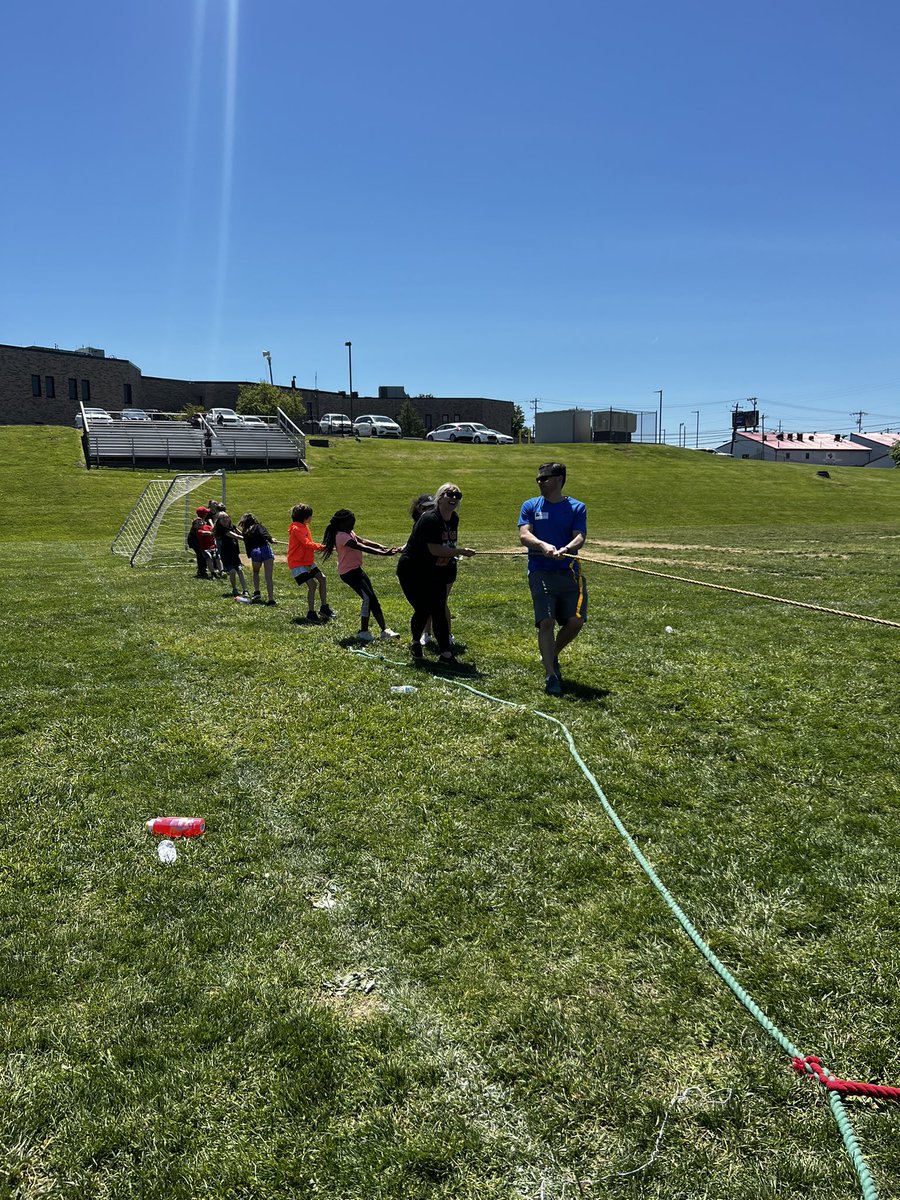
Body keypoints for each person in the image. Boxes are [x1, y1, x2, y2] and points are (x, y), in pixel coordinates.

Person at [518, 462, 587, 695]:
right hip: (540, 570)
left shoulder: (577, 507)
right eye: (538, 479)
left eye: (544, 478)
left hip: (569, 572)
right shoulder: (530, 506)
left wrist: (565, 549)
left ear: (558, 480)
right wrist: (542, 544)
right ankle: (551, 675)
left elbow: (580, 537)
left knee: (576, 621)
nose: (539, 482)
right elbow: (524, 534)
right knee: (545, 621)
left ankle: (552, 653)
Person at [397, 482, 475, 666]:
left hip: (435, 570)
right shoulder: (429, 519)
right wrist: (460, 552)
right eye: (450, 494)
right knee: (424, 609)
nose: (454, 498)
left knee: (439, 608)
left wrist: (452, 556)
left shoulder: (453, 518)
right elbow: (433, 549)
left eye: (458, 496)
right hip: (413, 570)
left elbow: (447, 545)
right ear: (440, 497)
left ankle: (446, 654)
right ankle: (416, 643)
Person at [320, 509, 400, 642]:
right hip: (348, 573)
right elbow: (361, 547)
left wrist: (382, 547)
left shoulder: (348, 532)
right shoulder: (341, 536)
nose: (353, 524)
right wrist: (382, 553)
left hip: (356, 570)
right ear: (342, 523)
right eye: (351, 521)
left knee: (373, 599)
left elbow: (364, 542)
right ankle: (363, 632)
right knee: (367, 598)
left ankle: (384, 631)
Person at [287, 503, 333, 622]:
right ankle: (311, 613)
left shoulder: (304, 526)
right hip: (297, 563)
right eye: (310, 516)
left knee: (322, 578)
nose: (311, 518)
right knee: (312, 585)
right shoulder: (296, 529)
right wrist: (322, 547)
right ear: (305, 517)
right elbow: (307, 543)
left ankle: (324, 607)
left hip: (307, 561)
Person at [239, 512, 279, 605]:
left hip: (255, 552)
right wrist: (271, 539)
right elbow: (264, 534)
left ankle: (257, 592)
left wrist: (250, 555)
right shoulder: (258, 526)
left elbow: (247, 545)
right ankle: (271, 599)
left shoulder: (245, 531)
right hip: (265, 549)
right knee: (268, 576)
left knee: (256, 572)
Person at [213, 511, 249, 599]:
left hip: (234, 553)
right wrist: (249, 539)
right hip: (226, 555)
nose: (225, 519)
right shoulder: (222, 530)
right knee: (232, 571)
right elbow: (237, 536)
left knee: (240, 570)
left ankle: (245, 590)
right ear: (219, 521)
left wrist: (251, 535)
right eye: (222, 518)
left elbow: (241, 534)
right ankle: (234, 588)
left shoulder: (232, 527)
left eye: (226, 517)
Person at [194, 507, 223, 578]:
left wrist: (215, 522)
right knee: (209, 558)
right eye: (197, 523)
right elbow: (207, 533)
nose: (200, 523)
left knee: (217, 558)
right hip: (205, 548)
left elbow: (213, 529)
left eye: (200, 522)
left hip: (213, 546)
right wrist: (213, 532)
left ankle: (221, 571)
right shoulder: (198, 531)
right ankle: (213, 573)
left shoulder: (207, 526)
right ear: (195, 526)